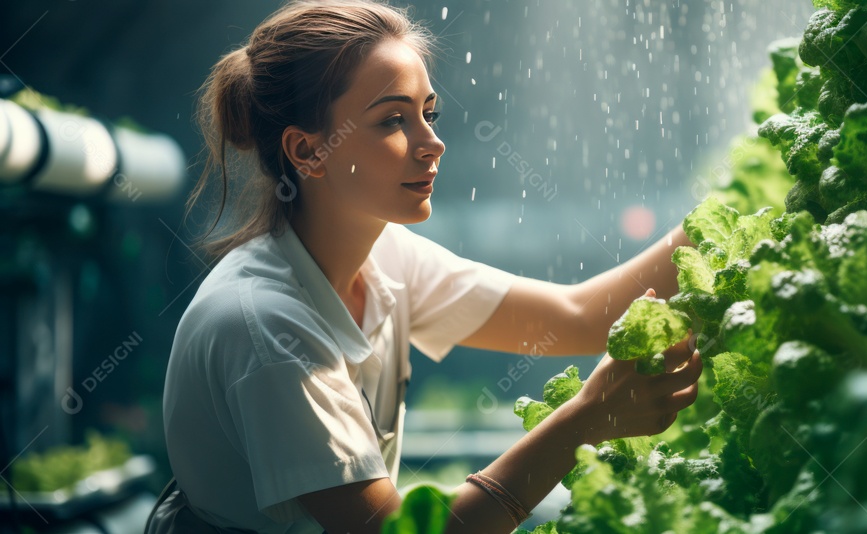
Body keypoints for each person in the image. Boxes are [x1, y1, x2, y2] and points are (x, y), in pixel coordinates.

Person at [146, 1, 702, 533]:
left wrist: (712, 225)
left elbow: (576, 317)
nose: (432, 143)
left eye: (427, 114)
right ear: (307, 151)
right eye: (393, 121)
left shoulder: (385, 252)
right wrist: (586, 418)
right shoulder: (264, 328)